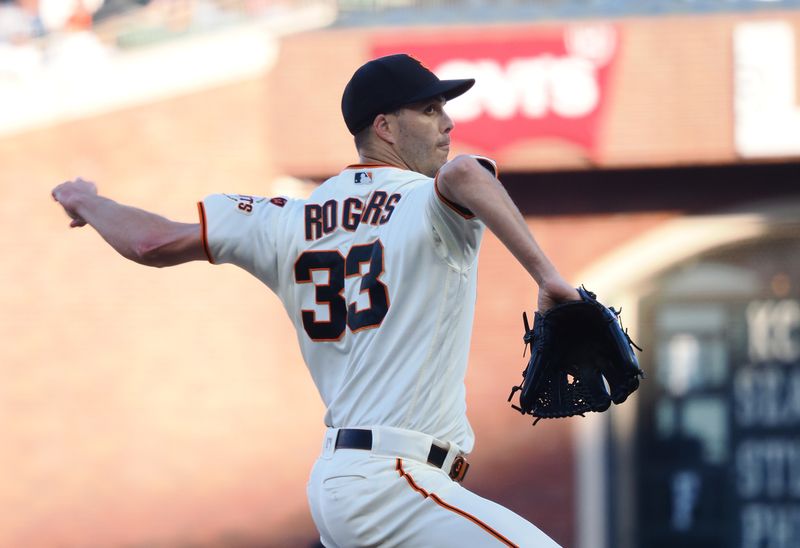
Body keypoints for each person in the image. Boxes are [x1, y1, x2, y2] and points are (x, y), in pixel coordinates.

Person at [52, 53, 579, 547]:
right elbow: (465, 174)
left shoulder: (285, 219)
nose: (448, 123)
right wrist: (551, 280)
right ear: (384, 127)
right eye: (429, 108)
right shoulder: (429, 202)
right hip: (394, 483)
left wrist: (88, 201)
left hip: (347, 480)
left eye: (444, 108)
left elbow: (152, 242)